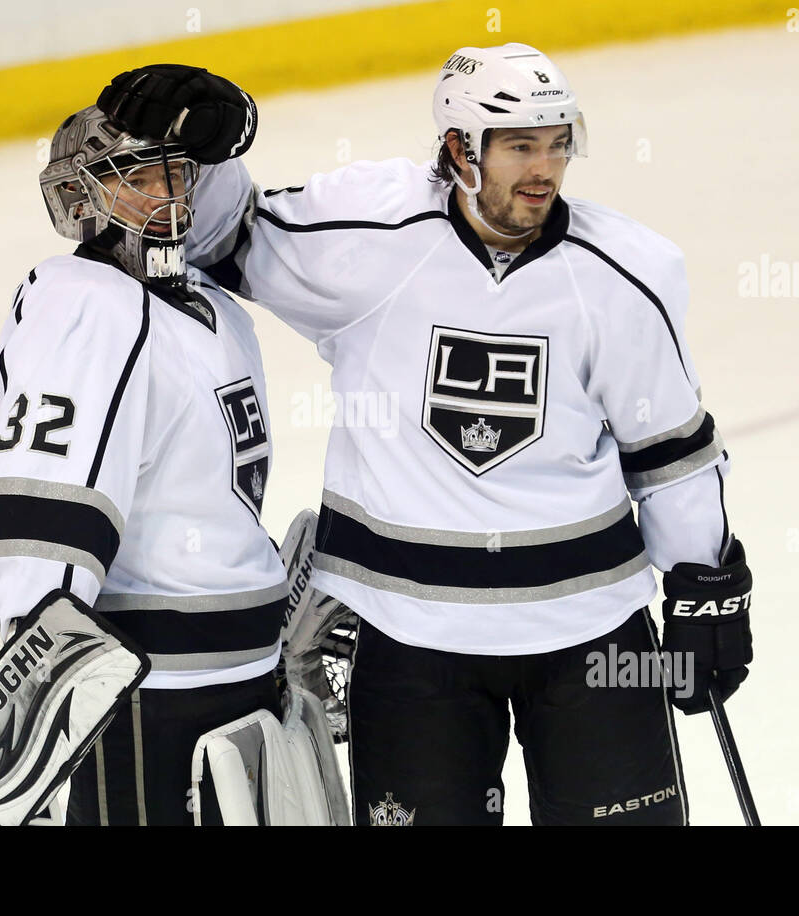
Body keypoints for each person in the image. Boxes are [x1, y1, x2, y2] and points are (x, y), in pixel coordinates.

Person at [97, 44, 755, 826]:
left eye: (556, 143)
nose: (543, 169)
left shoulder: (626, 271)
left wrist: (704, 589)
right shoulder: (371, 233)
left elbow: (669, 455)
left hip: (592, 636)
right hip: (412, 640)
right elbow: (225, 237)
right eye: (518, 146)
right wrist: (208, 146)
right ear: (458, 150)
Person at [0, 90, 290, 825]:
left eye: (175, 174)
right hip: (146, 696)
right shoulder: (86, 302)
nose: (164, 194)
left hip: (244, 677)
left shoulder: (214, 307)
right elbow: (45, 502)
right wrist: (31, 693)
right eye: (135, 177)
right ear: (80, 196)